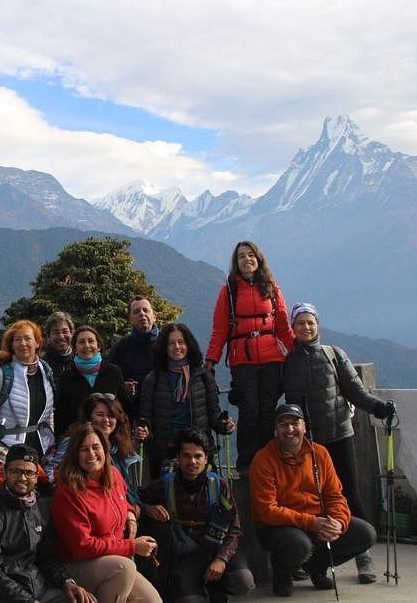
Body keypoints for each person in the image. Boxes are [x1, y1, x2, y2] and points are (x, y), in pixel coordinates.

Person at [281, 302, 396, 584]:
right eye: (300, 323)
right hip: (306, 443)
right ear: (292, 327)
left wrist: (378, 407)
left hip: (338, 436)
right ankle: (308, 557)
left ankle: (363, 554)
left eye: (310, 322)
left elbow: (356, 391)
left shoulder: (334, 355)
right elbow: (273, 397)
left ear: (317, 325)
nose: (306, 327)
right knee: (304, 498)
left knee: (349, 494)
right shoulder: (287, 362)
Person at [249, 404, 376, 597]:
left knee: (366, 534)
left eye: (295, 423)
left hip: (317, 520)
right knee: (299, 544)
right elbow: (266, 510)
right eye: (283, 424)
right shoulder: (263, 459)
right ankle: (282, 572)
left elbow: (335, 495)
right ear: (276, 430)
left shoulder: (320, 453)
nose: (289, 429)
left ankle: (316, 566)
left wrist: (337, 522)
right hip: (278, 526)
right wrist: (311, 522)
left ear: (304, 427)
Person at [0, 443, 97, 603]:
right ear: (5, 472)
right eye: (15, 471)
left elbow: (47, 558)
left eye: (29, 473)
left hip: (39, 588)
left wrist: (66, 582)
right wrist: (27, 600)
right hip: (3, 596)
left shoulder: (40, 508)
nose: (22, 478)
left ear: (36, 477)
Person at [137, 429, 254, 603]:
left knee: (243, 580)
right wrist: (147, 508)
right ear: (178, 457)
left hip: (216, 549)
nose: (192, 461)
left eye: (198, 456)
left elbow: (234, 528)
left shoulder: (219, 485)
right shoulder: (165, 485)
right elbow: (135, 499)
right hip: (186, 557)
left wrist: (221, 559)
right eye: (186, 456)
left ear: (206, 459)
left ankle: (215, 588)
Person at [205, 241, 293, 472]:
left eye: (251, 255)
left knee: (267, 410)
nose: (247, 259)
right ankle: (246, 462)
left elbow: (282, 324)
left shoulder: (271, 288)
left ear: (258, 259)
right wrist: (211, 359)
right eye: (242, 256)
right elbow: (220, 328)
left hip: (272, 359)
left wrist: (298, 350)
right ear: (236, 262)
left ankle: (268, 460)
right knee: (249, 410)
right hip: (243, 361)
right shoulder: (229, 291)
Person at [51, 422, 162, 602]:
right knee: (124, 568)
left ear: (105, 449)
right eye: (84, 449)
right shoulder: (68, 492)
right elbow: (82, 546)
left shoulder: (114, 475)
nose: (91, 454)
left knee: (151, 600)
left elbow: (123, 501)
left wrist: (130, 514)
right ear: (75, 454)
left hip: (114, 558)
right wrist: (132, 546)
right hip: (78, 563)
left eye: (96, 447)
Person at [139, 324, 235, 480]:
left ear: (189, 345)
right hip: (165, 453)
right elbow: (145, 416)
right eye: (171, 343)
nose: (177, 347)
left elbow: (213, 413)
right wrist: (143, 430)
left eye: (181, 342)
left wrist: (224, 425)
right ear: (164, 347)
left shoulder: (203, 376)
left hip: (198, 450)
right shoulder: (154, 378)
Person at [47, 394, 144, 506]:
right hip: (84, 502)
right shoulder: (73, 441)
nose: (106, 420)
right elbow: (51, 473)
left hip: (121, 504)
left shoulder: (118, 444)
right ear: (89, 417)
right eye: (99, 415)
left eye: (111, 416)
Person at [0, 320, 55, 456]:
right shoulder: (1, 374)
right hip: (6, 451)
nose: (23, 343)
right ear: (12, 345)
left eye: (28, 338)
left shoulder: (46, 371)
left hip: (41, 450)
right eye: (17, 339)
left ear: (37, 343)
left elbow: (48, 415)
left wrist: (50, 444)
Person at [54, 325, 132, 436]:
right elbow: (61, 417)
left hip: (110, 438)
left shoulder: (113, 372)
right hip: (78, 440)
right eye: (81, 342)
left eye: (91, 341)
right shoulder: (67, 377)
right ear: (75, 349)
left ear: (98, 346)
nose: (87, 345)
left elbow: (126, 408)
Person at [107, 296, 160, 405]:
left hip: (164, 408)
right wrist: (122, 387)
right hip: (131, 409)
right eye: (136, 312)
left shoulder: (168, 343)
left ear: (155, 316)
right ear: (130, 319)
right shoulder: (121, 347)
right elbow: (108, 380)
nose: (142, 314)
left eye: (145, 310)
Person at [42, 311, 76, 378]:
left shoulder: (81, 360)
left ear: (72, 333)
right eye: (56, 332)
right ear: (48, 337)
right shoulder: (42, 366)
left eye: (65, 331)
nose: (61, 337)